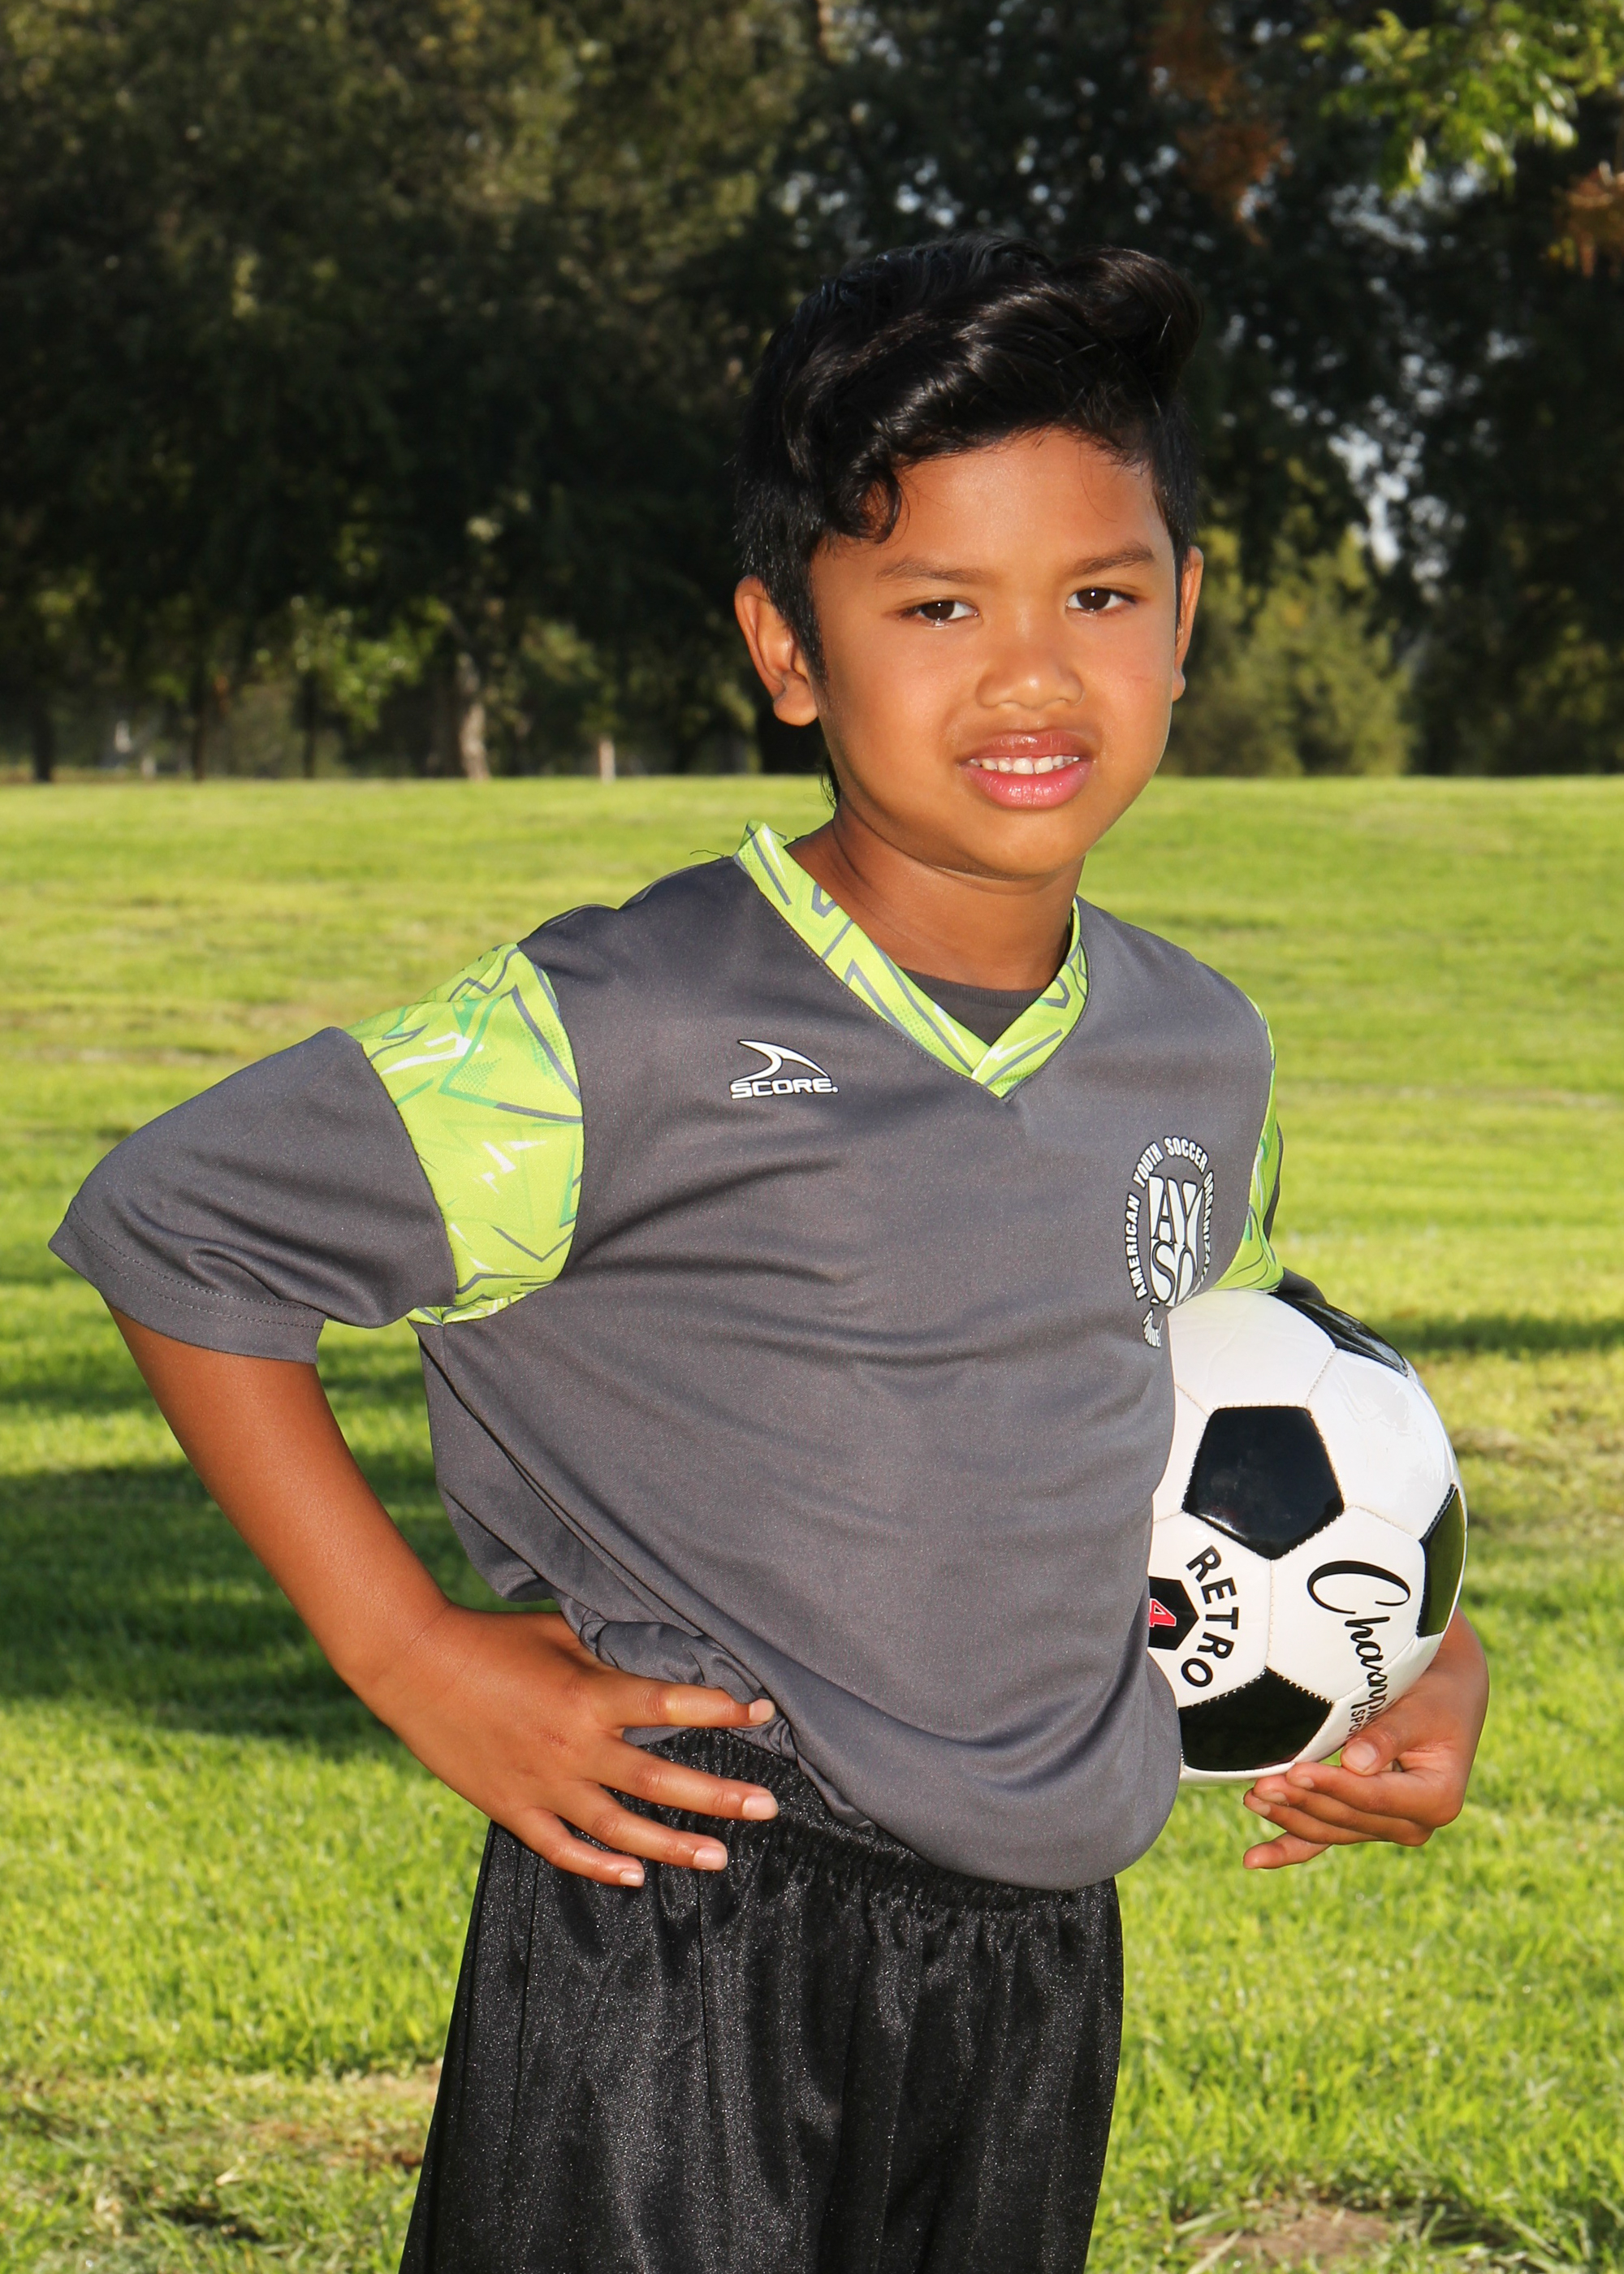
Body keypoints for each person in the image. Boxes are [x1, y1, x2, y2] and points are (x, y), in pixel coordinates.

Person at [50, 237, 1488, 2274]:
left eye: (1095, 596)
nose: (1028, 673)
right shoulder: (626, 1025)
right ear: (786, 647)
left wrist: (1409, 1650)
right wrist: (410, 1651)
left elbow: (1204, 1415)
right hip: (687, 1924)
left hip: (1031, 1963)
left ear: (1183, 616)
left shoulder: (1196, 1051)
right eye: (937, 604)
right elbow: (179, 1223)